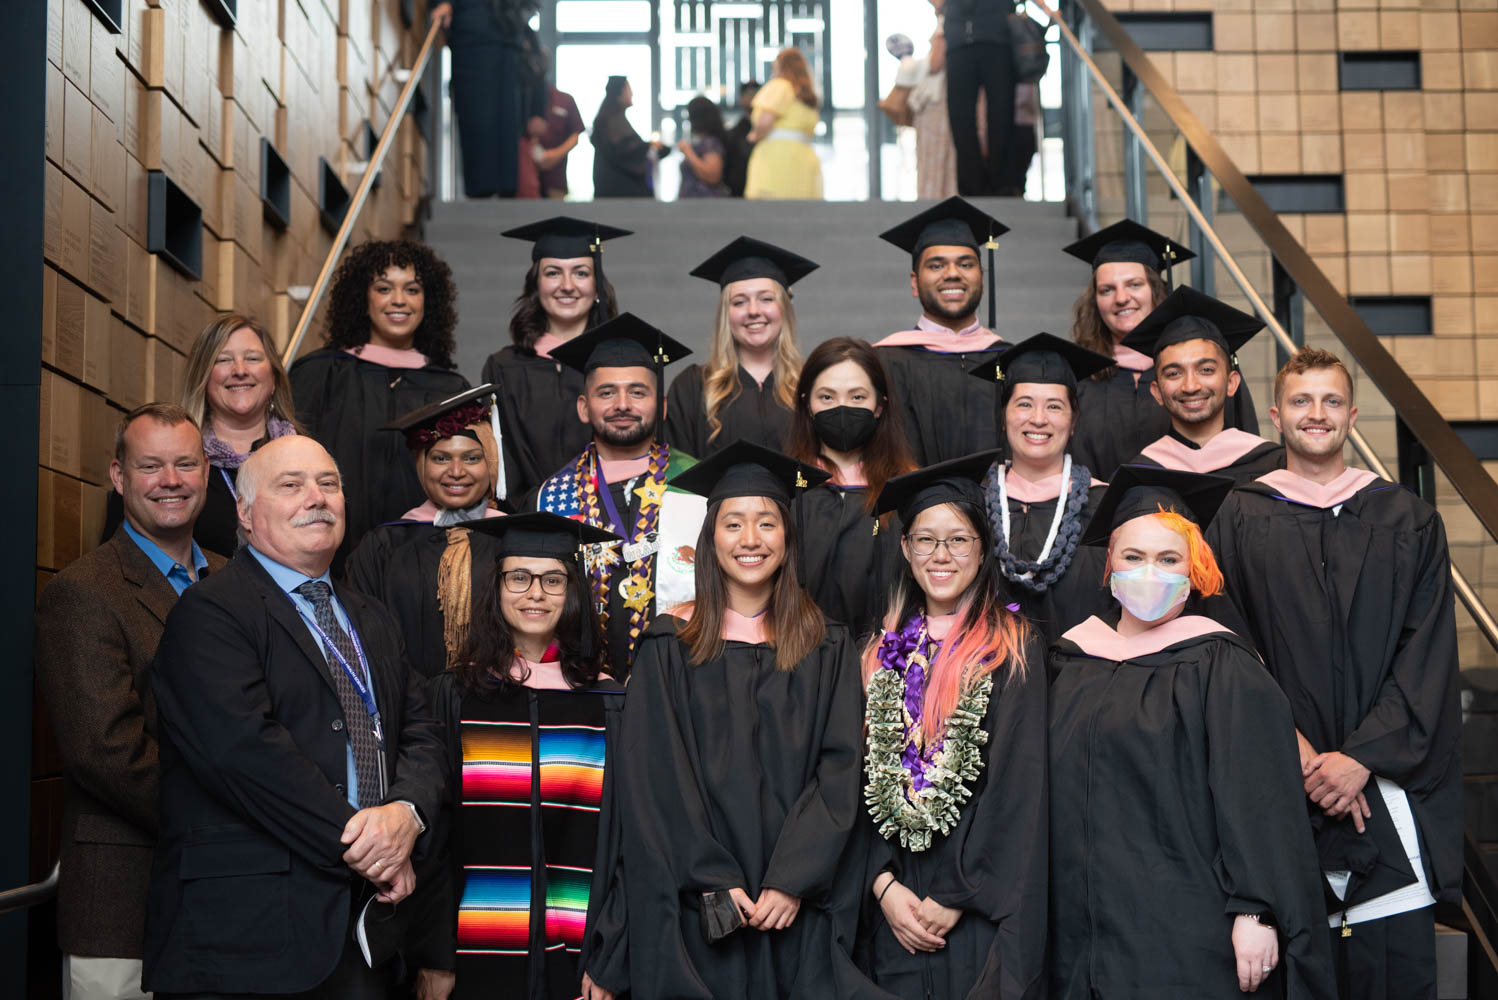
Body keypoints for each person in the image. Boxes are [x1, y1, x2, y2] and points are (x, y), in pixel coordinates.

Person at [142, 435, 447, 997]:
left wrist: (407, 813)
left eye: (328, 483)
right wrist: (371, 849)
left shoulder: (370, 616)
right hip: (247, 938)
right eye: (291, 485)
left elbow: (421, 729)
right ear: (244, 511)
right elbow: (244, 753)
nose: (317, 497)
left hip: (366, 935)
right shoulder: (209, 614)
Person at [1207, 348, 1461, 999]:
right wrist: (1295, 753)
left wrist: (1358, 759)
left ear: (1352, 414)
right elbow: (1232, 648)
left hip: (1383, 787)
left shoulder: (1408, 520)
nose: (1314, 414)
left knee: (1391, 969)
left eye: (1329, 401)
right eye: (1300, 401)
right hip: (1278, 782)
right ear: (1274, 414)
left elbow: (1425, 654)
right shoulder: (1237, 516)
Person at [1048, 465, 1336, 998]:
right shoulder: (1072, 662)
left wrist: (1257, 909)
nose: (1149, 572)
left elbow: (1260, 801)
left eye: (1168, 559)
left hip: (1187, 926)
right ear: (1109, 565)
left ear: (1194, 570)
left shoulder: (1222, 666)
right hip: (1085, 926)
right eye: (1133, 557)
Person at [611, 442, 872, 999]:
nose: (750, 540)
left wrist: (792, 877)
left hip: (796, 908)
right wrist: (712, 878)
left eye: (767, 523)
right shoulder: (668, 645)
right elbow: (656, 777)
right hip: (700, 908)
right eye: (733, 524)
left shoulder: (827, 646)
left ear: (789, 538)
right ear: (710, 540)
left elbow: (841, 766)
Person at [36, 405, 224, 1000]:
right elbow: (105, 751)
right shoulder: (83, 592)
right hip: (122, 902)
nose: (171, 480)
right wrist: (227, 825)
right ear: (119, 478)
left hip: (227, 902)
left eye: (185, 464)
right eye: (151, 466)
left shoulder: (234, 582)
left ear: (208, 474)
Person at [406, 512, 627, 1000]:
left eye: (553, 579)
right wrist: (436, 955)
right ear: (497, 587)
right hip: (474, 952)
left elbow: (628, 844)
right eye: (519, 577)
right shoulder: (458, 697)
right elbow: (435, 840)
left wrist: (612, 956)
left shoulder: (608, 704)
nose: (535, 593)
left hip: (582, 958)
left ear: (572, 592)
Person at [855, 452, 1047, 999]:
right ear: (905, 549)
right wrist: (882, 884)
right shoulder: (876, 654)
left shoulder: (1012, 650)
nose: (941, 555)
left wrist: (956, 894)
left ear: (983, 550)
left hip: (975, 913)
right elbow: (851, 780)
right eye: (925, 540)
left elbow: (1018, 787)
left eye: (959, 539)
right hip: (889, 909)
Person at [533, 315, 705, 678]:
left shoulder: (697, 484)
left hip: (684, 683)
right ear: (584, 406)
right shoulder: (552, 496)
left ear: (661, 406)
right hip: (581, 689)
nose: (622, 404)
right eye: (607, 392)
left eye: (637, 392)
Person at [290, 239, 470, 568]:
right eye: (384, 288)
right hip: (328, 557)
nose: (399, 300)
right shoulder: (320, 374)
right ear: (364, 297)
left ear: (428, 300)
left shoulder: (450, 389)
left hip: (422, 563)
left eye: (412, 289)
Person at [1064, 219, 1259, 479]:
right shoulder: (1081, 378)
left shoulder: (1208, 373)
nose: (1121, 298)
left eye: (1134, 284)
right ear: (1095, 301)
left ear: (1156, 289)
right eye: (1107, 289)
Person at [102, 315, 302, 558]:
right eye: (224, 360)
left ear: (273, 379)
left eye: (252, 358)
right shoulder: (168, 463)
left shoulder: (305, 459)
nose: (239, 370)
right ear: (204, 377)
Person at [343, 386, 506, 678]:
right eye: (441, 458)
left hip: (501, 709)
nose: (456, 472)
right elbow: (363, 636)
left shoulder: (514, 539)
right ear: (421, 465)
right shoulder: (384, 546)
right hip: (409, 707)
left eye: (471, 458)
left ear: (491, 463)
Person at [969, 333, 1114, 645]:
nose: (1038, 419)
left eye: (1054, 407)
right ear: (1004, 416)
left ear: (1073, 420)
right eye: (1024, 404)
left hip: (1080, 678)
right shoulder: (972, 504)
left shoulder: (1106, 507)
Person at [481, 217, 630, 502]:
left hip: (606, 520)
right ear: (536, 284)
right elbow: (499, 456)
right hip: (525, 522)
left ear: (598, 286)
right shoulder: (504, 368)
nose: (567, 285)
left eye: (581, 273)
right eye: (553, 273)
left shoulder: (620, 366)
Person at [784, 337, 917, 640]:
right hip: (799, 658)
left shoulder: (909, 491)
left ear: (880, 406)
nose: (842, 408)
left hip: (885, 664)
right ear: (807, 404)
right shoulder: (785, 490)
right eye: (827, 397)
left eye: (857, 397)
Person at [874, 197, 1009, 465]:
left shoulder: (1010, 359)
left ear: (982, 277)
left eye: (966, 264)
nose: (952, 273)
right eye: (936, 265)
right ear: (914, 282)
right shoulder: (883, 362)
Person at [667, 237, 816, 457]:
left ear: (785, 307)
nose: (753, 310)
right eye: (739, 302)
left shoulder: (813, 385)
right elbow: (676, 474)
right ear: (725, 314)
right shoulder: (692, 388)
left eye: (766, 299)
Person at [1122, 286, 1284, 483]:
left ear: (1232, 383)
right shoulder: (1138, 477)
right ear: (1156, 392)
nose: (1191, 386)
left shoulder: (1275, 468)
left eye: (1206, 370)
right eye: (1174, 373)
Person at [430, 1, 530, 198]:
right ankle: (483, 187)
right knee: (478, 113)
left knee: (505, 116)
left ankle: (502, 186)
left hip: (506, 28)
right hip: (474, 30)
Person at [943, 0, 1013, 197]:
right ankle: (972, 187)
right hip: (958, 41)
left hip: (997, 37)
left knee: (1001, 113)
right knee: (960, 117)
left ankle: (1000, 183)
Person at [744, 48, 823, 200]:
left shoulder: (780, 86)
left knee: (771, 213)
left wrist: (756, 135)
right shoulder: (807, 96)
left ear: (781, 66)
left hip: (776, 159)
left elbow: (765, 120)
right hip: (804, 160)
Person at [591, 76, 660, 198]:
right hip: (618, 193)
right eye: (629, 89)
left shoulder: (610, 118)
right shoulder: (610, 120)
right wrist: (648, 146)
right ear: (620, 92)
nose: (632, 94)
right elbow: (623, 150)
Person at [533, 52, 586, 199]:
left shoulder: (564, 99)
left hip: (555, 178)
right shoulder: (522, 97)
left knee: (555, 216)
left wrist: (555, 155)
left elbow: (576, 134)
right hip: (527, 176)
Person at [676, 96, 731, 198]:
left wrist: (688, 153)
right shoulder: (703, 141)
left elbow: (712, 175)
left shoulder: (710, 143)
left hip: (703, 206)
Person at [724, 81, 759, 198]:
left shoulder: (773, 133)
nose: (752, 97)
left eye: (756, 93)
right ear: (741, 99)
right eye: (748, 94)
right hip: (739, 195)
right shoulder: (733, 134)